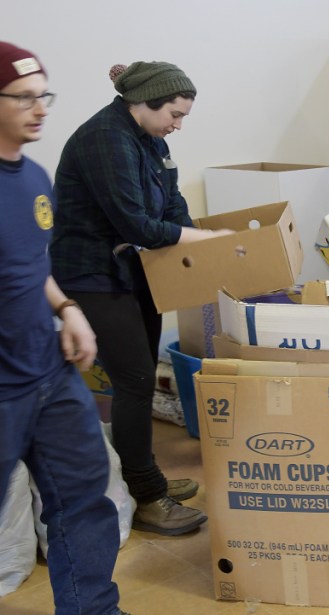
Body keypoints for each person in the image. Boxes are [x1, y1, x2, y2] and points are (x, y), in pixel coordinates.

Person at [49, 61, 227, 536]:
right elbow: (135, 223)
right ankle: (147, 497)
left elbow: (170, 206)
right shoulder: (104, 138)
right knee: (133, 379)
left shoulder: (153, 141)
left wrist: (197, 235)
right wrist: (201, 241)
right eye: (174, 113)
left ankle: (142, 475)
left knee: (141, 377)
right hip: (91, 273)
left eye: (183, 115)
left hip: (131, 268)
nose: (178, 124)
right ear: (141, 103)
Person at [0, 41, 129, 615]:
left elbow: (31, 265)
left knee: (82, 498)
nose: (40, 108)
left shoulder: (33, 178)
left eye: (42, 95)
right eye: (23, 98)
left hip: (50, 375)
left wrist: (66, 309)